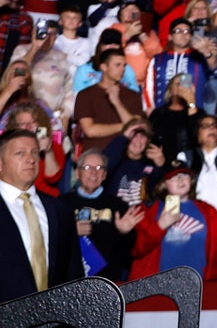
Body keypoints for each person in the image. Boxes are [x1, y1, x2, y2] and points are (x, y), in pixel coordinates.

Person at [0, 128, 84, 302]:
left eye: (35, 152)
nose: (31, 159)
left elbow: (73, 272)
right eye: (20, 153)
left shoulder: (60, 209)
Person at [129, 163, 217, 281]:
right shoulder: (149, 210)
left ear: (191, 180)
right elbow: (137, 249)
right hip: (156, 288)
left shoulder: (209, 211)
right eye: (174, 177)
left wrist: (214, 285)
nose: (180, 179)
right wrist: (159, 227)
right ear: (164, 184)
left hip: (198, 287)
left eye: (184, 174)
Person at [61, 148, 145, 281]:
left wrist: (124, 232)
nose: (94, 172)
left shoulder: (118, 205)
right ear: (77, 173)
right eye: (87, 167)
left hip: (107, 281)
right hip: (70, 281)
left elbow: (129, 251)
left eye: (99, 167)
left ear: (105, 175)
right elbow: (51, 245)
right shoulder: (61, 204)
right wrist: (71, 232)